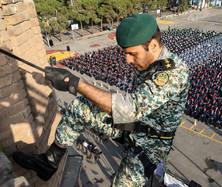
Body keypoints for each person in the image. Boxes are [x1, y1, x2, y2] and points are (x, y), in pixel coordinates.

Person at [13, 14, 190, 186]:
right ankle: (49, 162)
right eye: (126, 53)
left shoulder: (174, 73)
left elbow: (131, 107)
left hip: (151, 144)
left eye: (132, 54)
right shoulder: (146, 61)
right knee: (80, 106)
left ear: (152, 45)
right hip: (132, 126)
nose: (127, 60)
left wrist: (75, 83)